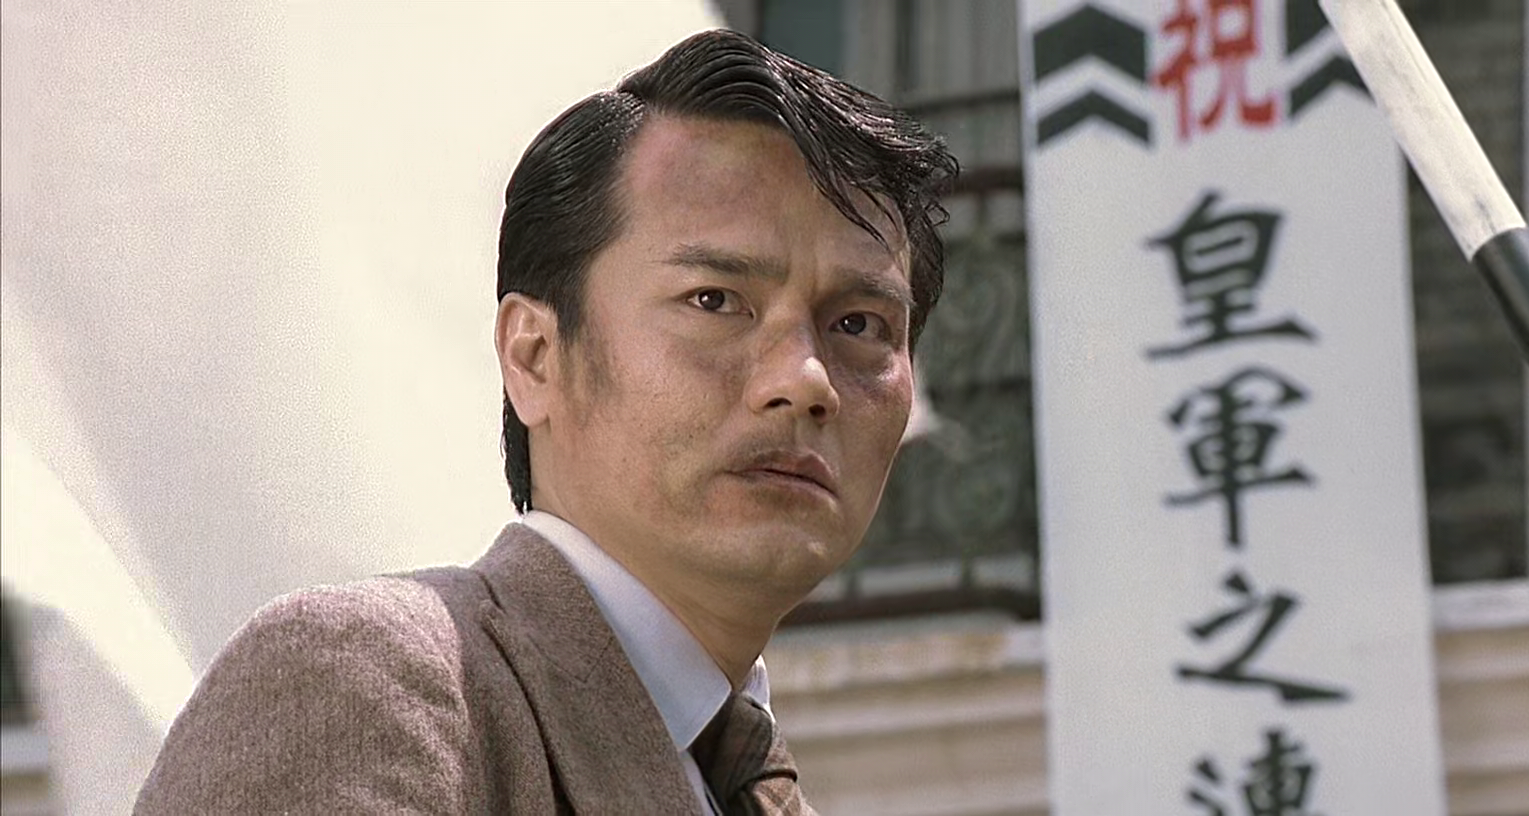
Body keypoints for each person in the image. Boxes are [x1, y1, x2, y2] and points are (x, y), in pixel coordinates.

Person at [136, 28, 957, 815]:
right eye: (714, 300)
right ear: (533, 356)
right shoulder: (371, 685)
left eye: (859, 325)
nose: (805, 381)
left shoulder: (756, 787)